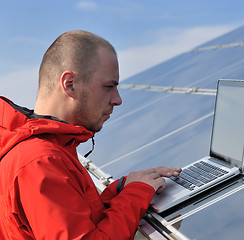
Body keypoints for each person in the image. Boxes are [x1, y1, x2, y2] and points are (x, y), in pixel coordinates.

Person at [0, 30, 181, 239]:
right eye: (108, 87)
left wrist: (123, 189)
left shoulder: (50, 148)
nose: (117, 99)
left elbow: (81, 220)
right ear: (70, 84)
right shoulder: (39, 163)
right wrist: (136, 194)